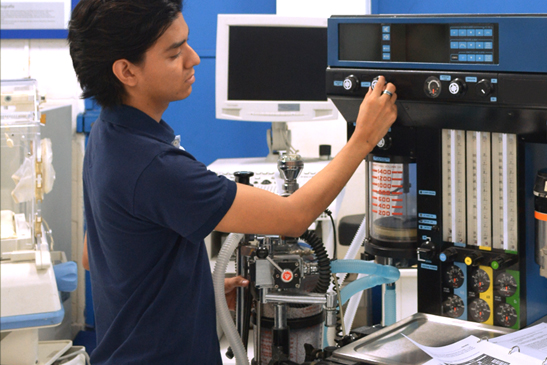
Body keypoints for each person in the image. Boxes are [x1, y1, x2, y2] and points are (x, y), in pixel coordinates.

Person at [67, 0, 397, 363]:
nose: (194, 59)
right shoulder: (156, 166)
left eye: (187, 44)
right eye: (175, 53)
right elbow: (293, 217)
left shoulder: (108, 135)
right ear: (126, 71)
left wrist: (191, 292)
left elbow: (93, 255)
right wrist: (364, 138)